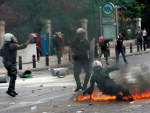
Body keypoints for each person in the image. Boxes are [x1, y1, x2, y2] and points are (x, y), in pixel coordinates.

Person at [0, 33, 33, 97]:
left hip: (6, 63)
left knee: (12, 76)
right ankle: (10, 90)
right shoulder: (12, 45)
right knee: (13, 76)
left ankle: (12, 89)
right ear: (10, 39)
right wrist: (29, 40)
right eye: (12, 37)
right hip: (11, 63)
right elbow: (23, 46)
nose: (14, 38)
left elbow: (1, 54)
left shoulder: (4, 47)